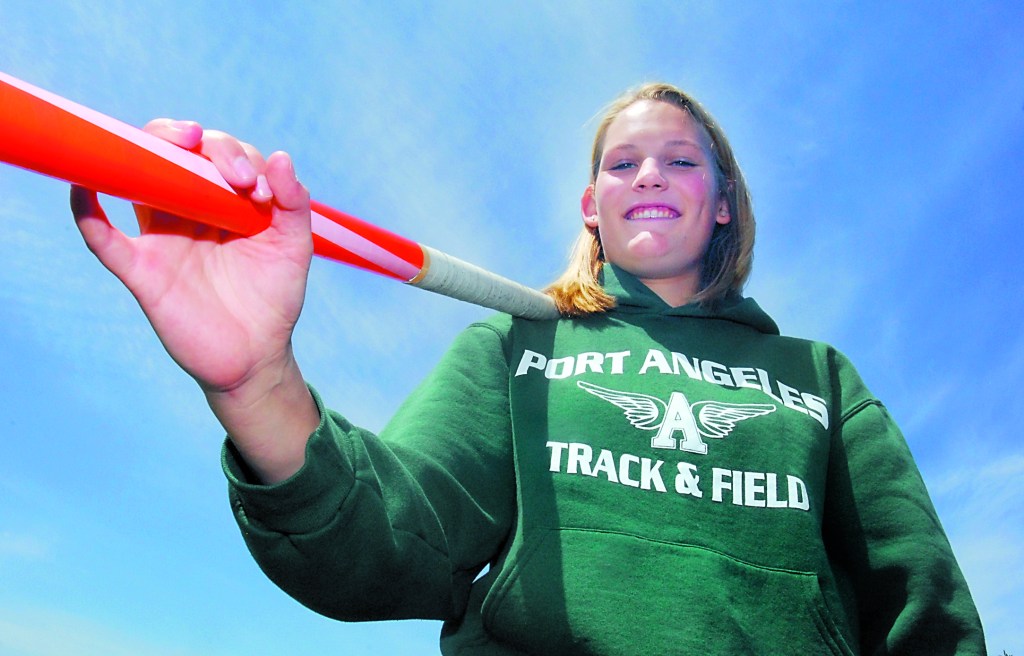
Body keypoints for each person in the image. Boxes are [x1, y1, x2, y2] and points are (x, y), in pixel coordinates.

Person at [71, 83, 986, 654]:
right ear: (593, 206)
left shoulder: (818, 377)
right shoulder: (521, 348)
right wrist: (255, 381)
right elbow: (389, 547)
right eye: (623, 164)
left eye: (680, 160)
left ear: (722, 204)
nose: (650, 175)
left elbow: (926, 610)